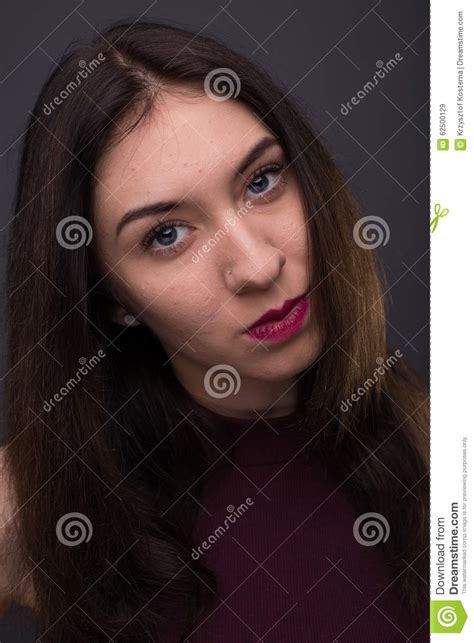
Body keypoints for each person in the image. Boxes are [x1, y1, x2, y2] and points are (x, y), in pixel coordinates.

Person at [0, 20, 429, 641]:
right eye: (167, 235)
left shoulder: (438, 445)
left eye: (262, 181)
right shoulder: (38, 498)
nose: (258, 265)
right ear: (112, 298)